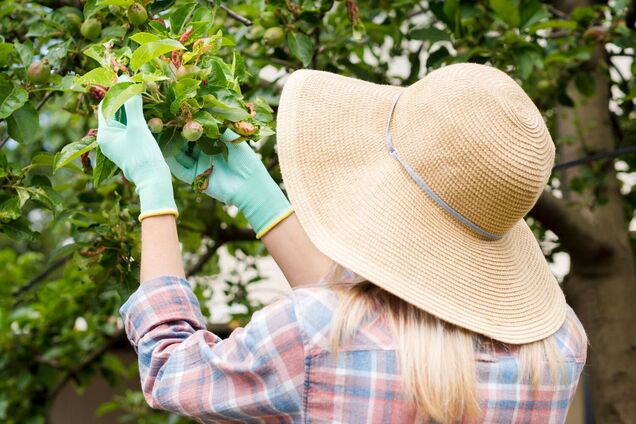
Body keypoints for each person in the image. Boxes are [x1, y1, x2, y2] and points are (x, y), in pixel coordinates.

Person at [96, 62, 588, 423]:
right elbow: (367, 329)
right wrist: (262, 201)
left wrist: (153, 189)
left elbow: (168, 367)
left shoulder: (310, 334)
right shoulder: (558, 348)